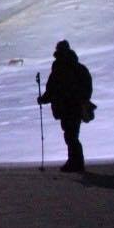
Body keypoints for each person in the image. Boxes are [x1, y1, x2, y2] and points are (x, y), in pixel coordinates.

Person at [37, 40, 93, 172]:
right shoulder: (76, 68)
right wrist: (44, 99)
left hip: (70, 107)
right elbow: (52, 90)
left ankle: (76, 163)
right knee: (70, 135)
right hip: (69, 107)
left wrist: (43, 99)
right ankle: (74, 162)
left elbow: (52, 90)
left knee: (71, 135)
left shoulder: (61, 69)